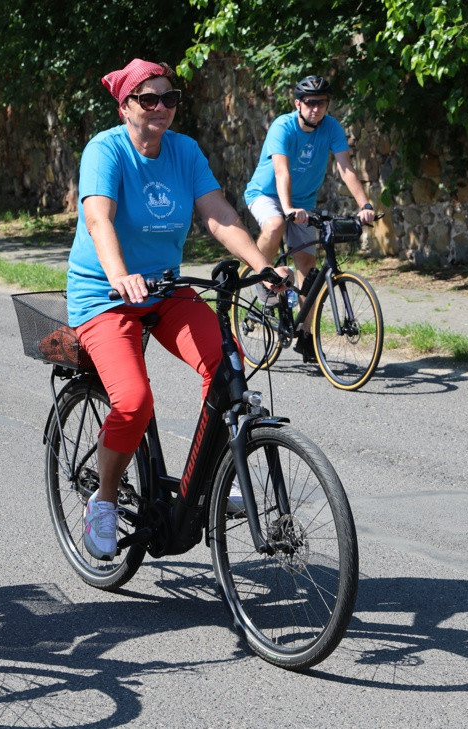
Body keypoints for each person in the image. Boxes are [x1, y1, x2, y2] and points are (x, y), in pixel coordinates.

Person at [67, 59, 289, 560]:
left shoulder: (184, 151)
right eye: (149, 99)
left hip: (164, 290)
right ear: (125, 106)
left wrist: (263, 263)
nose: (161, 107)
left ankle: (209, 476)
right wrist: (120, 273)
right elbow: (99, 219)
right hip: (105, 294)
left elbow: (218, 214)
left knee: (227, 367)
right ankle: (102, 500)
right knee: (133, 401)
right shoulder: (106, 149)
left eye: (169, 98)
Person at [243, 75, 376, 362]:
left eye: (322, 103)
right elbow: (282, 171)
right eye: (310, 103)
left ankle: (306, 335)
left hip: (303, 201)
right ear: (298, 103)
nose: (316, 109)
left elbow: (346, 168)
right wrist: (287, 207)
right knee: (276, 223)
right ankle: (259, 274)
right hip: (266, 194)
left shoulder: (331, 127)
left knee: (308, 267)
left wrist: (364, 204)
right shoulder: (283, 126)